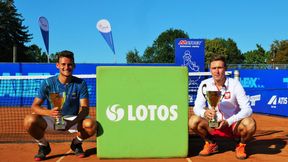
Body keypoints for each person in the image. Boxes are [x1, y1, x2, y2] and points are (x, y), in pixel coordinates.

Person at [23, 50, 96, 161]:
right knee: (29, 120)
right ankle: (43, 146)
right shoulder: (48, 83)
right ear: (57, 65)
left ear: (74, 66)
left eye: (69, 64)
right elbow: (34, 107)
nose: (66, 67)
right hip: (53, 119)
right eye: (63, 64)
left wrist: (71, 122)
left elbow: (85, 110)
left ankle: (76, 144)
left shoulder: (81, 84)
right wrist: (50, 113)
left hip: (73, 119)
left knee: (92, 124)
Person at [188, 55, 256, 160]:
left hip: (233, 125)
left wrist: (229, 121)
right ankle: (211, 143)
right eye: (214, 68)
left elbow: (248, 110)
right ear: (210, 70)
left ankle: (241, 145)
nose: (217, 71)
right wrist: (204, 113)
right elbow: (197, 108)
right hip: (213, 123)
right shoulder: (204, 84)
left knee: (250, 124)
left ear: (225, 69)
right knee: (193, 121)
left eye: (220, 68)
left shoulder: (235, 84)